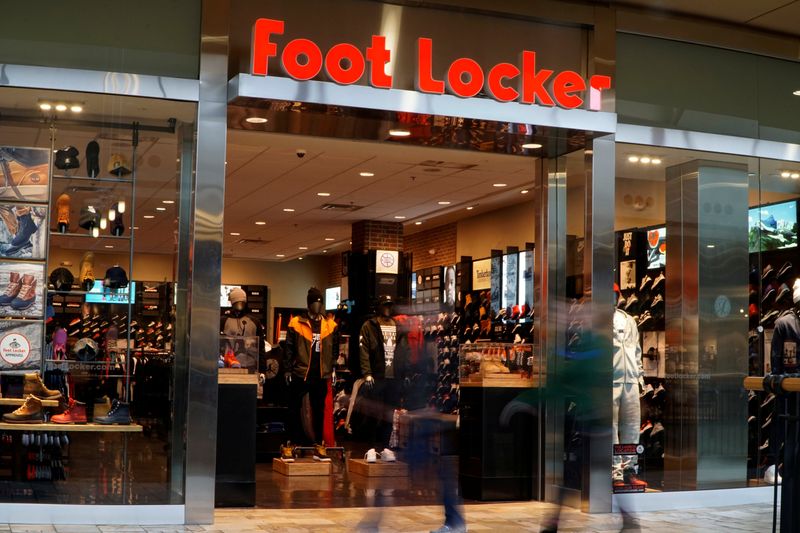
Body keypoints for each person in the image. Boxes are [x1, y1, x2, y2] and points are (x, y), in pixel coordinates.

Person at [284, 287, 337, 460]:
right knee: (293, 409)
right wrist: (287, 369)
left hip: (320, 374)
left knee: (319, 410)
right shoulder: (296, 323)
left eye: (320, 302)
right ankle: (291, 443)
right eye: (314, 302)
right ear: (308, 304)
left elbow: (334, 349)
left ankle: (319, 445)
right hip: (300, 372)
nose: (317, 305)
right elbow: (289, 348)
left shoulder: (330, 325)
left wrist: (332, 368)